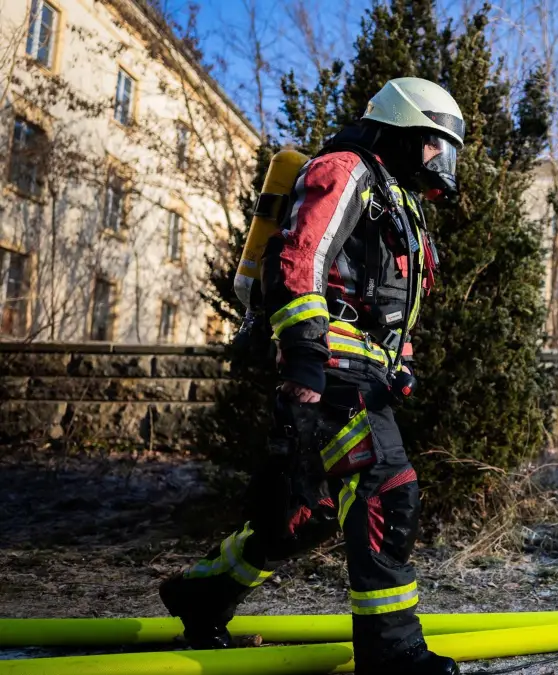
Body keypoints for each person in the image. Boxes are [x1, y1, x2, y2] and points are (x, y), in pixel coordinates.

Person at [158, 77, 464, 675]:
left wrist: (396, 368)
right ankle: (392, 652)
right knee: (386, 489)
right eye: (435, 145)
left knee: (305, 514)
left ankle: (203, 594)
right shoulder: (346, 169)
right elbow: (301, 255)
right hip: (328, 368)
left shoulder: (396, 198)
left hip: (355, 372)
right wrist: (303, 360)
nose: (441, 162)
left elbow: (385, 307)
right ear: (404, 130)